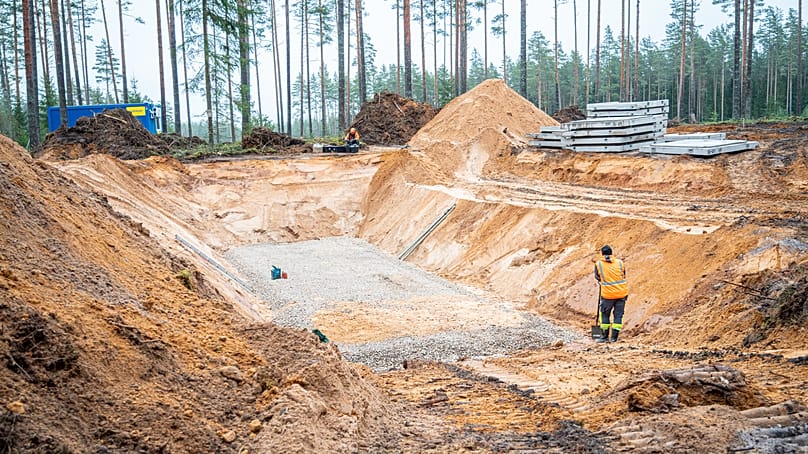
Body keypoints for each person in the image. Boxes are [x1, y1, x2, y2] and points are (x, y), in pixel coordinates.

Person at [594, 245, 628, 343]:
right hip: (621, 294)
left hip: (607, 295)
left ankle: (604, 337)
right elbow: (623, 275)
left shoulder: (599, 264)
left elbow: (597, 277)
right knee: (618, 316)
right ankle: (614, 338)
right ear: (611, 253)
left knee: (605, 315)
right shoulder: (620, 263)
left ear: (602, 254)